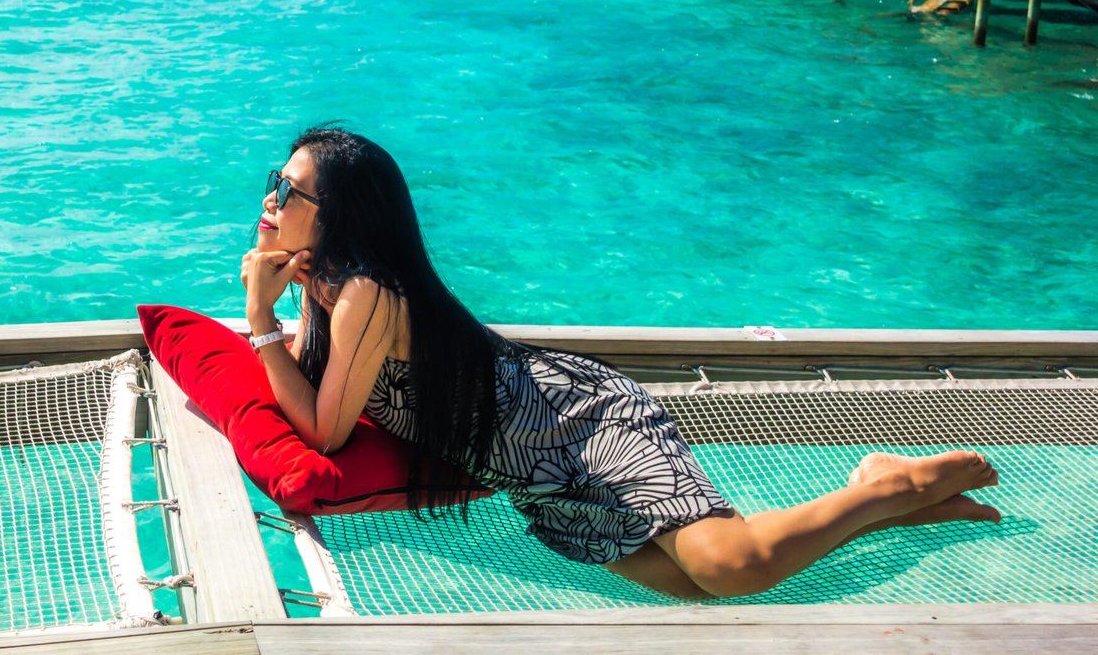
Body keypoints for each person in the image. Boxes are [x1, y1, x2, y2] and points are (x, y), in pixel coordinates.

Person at [242, 127, 1000, 600]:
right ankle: (884, 506)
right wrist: (278, 310)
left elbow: (328, 434)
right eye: (274, 181)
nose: (272, 196)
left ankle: (883, 485)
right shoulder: (324, 284)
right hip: (536, 476)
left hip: (578, 422)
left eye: (288, 187)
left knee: (729, 564)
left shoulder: (367, 292)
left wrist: (256, 321)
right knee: (700, 583)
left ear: (339, 211)